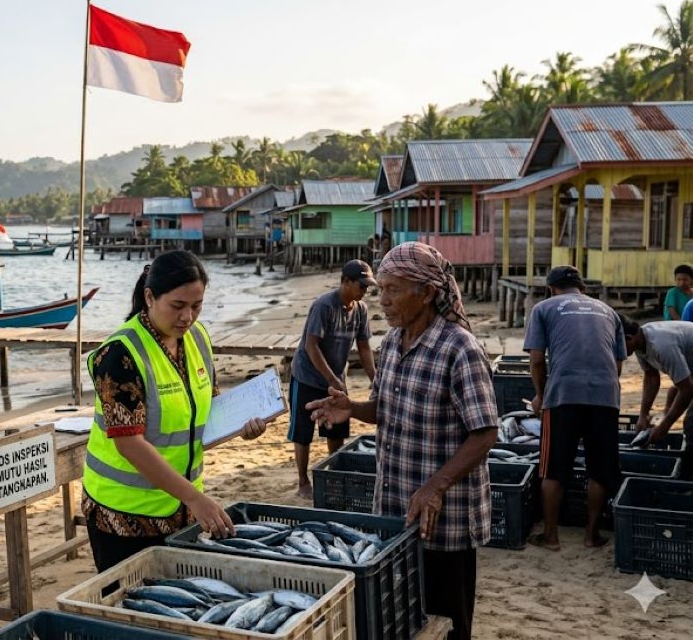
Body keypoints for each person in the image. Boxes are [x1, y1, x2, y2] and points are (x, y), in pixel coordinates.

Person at [307, 242, 496, 640]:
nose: (383, 301)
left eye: (393, 289)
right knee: (405, 618)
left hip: (444, 520)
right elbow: (383, 408)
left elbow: (485, 432)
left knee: (448, 622)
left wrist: (435, 487)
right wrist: (353, 408)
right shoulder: (392, 343)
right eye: (380, 290)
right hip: (393, 510)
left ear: (426, 293)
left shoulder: (460, 348)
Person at [82, 249, 268, 572]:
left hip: (180, 510)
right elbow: (129, 444)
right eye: (178, 306)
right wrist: (194, 498)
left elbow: (204, 411)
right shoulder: (119, 354)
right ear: (150, 297)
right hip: (123, 516)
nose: (188, 317)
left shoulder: (197, 338)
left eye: (197, 306)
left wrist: (240, 425)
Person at [522, 266, 626, 551]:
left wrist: (541, 395)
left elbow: (536, 361)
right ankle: (591, 536)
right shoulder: (609, 311)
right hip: (606, 396)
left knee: (553, 470)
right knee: (599, 470)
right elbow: (617, 364)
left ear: (551, 288)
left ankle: (551, 536)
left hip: (563, 395)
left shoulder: (543, 308)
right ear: (582, 287)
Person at [288, 259, 377, 498]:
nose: (364, 291)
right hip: (307, 376)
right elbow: (311, 345)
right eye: (361, 285)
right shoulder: (323, 306)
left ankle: (334, 476)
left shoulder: (361, 310)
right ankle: (303, 481)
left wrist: (375, 379)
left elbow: (364, 347)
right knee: (303, 432)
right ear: (346, 282)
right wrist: (331, 378)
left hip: (336, 378)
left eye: (367, 287)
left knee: (336, 431)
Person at [623, 318, 693, 480]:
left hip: (689, 381)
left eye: (617, 344)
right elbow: (651, 376)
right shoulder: (641, 342)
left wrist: (664, 426)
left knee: (690, 425)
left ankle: (687, 480)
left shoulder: (661, 346)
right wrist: (643, 414)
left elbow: (687, 389)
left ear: (628, 338)